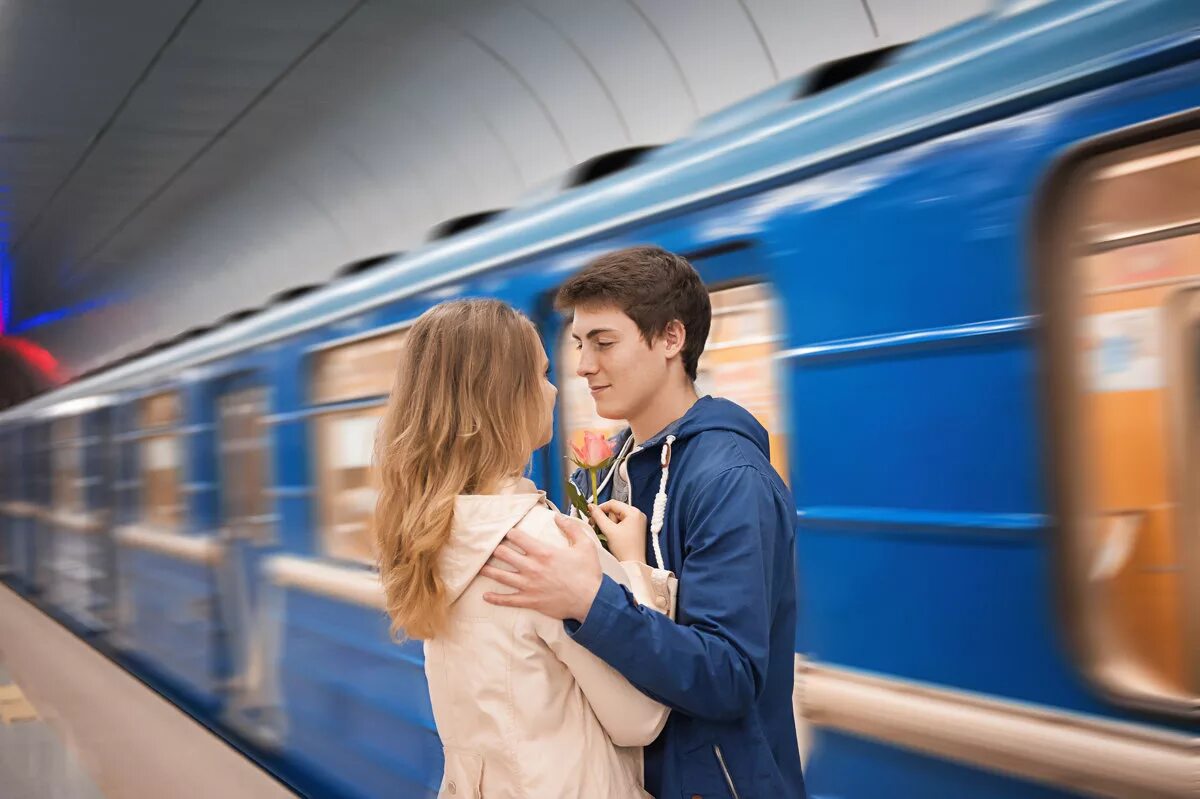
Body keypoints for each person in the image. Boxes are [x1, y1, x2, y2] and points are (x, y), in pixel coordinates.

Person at [483, 246, 806, 798]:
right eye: (579, 344)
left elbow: (729, 677)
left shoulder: (730, 480)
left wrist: (589, 601)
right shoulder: (611, 470)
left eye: (604, 342)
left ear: (671, 340)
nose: (584, 365)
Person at [373, 298, 677, 798]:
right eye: (540, 374)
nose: (555, 388)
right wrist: (632, 565)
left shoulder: (428, 531)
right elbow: (641, 716)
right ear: (501, 398)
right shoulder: (540, 545)